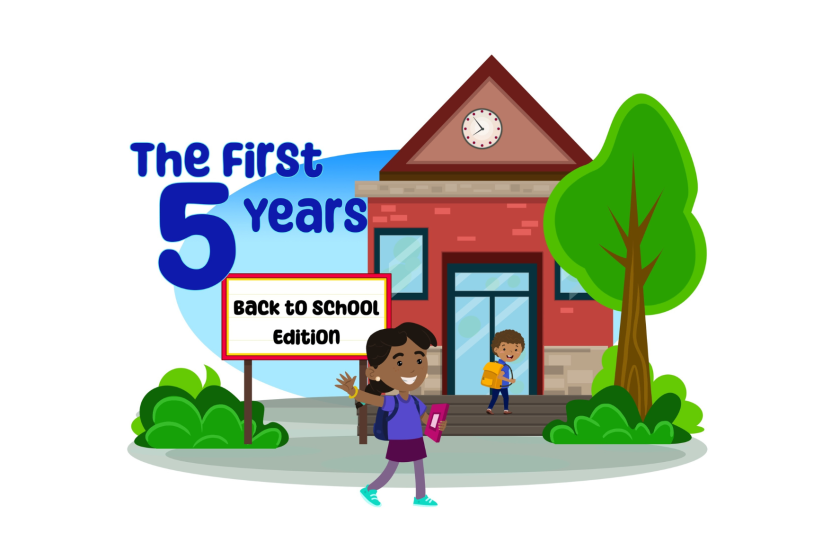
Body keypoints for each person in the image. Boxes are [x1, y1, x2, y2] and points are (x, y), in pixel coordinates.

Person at [334, 322, 446, 507]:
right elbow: (372, 400)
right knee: (391, 469)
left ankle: (420, 496)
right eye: (399, 362)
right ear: (374, 373)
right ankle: (370, 489)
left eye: (419, 361)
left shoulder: (416, 402)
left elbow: (426, 419)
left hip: (416, 439)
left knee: (419, 468)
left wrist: (438, 425)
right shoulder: (391, 401)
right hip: (399, 440)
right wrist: (353, 392)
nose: (412, 369)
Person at [486, 329, 524, 415]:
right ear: (496, 349)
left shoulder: (498, 364)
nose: (510, 352)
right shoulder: (504, 366)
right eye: (504, 348)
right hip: (502, 385)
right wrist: (510, 381)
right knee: (505, 397)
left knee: (495, 397)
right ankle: (505, 410)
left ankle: (490, 408)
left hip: (497, 384)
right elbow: (500, 376)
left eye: (515, 349)